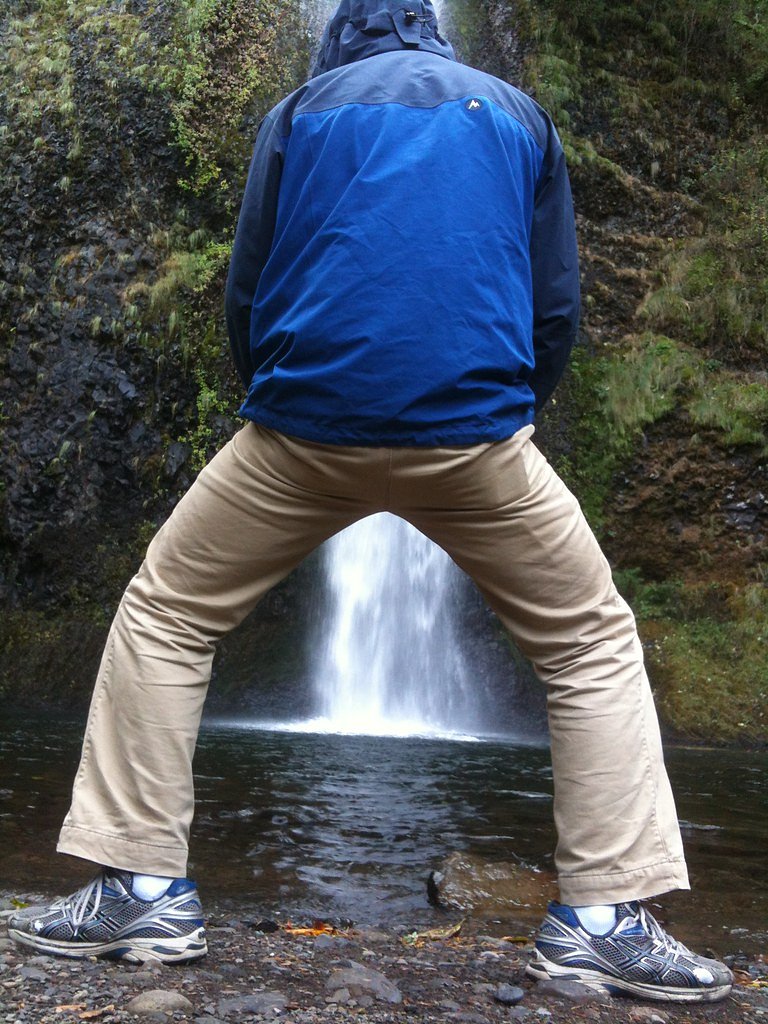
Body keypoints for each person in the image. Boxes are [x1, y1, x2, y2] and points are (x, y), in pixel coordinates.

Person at [8, 0, 732, 1004]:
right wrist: (508, 416)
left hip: (302, 434)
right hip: (474, 436)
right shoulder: (517, 112)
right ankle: (605, 917)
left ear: (340, 36)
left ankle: (142, 886)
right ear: (435, 31)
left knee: (168, 612)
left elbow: (249, 290)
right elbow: (554, 298)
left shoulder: (300, 113)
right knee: (590, 638)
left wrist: (278, 403)